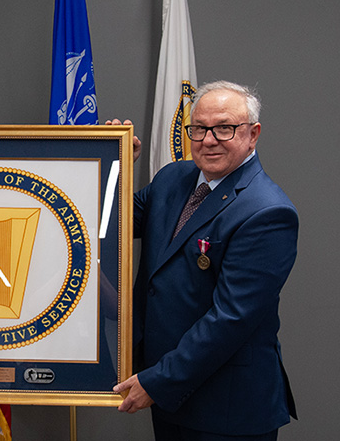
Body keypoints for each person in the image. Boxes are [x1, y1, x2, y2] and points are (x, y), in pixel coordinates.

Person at [111, 81, 298, 440]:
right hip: (171, 398)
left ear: (253, 134)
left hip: (227, 409)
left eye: (224, 127)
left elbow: (230, 319)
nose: (209, 139)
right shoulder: (173, 178)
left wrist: (159, 380)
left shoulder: (267, 211)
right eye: (199, 128)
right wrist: (111, 163)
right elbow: (115, 223)